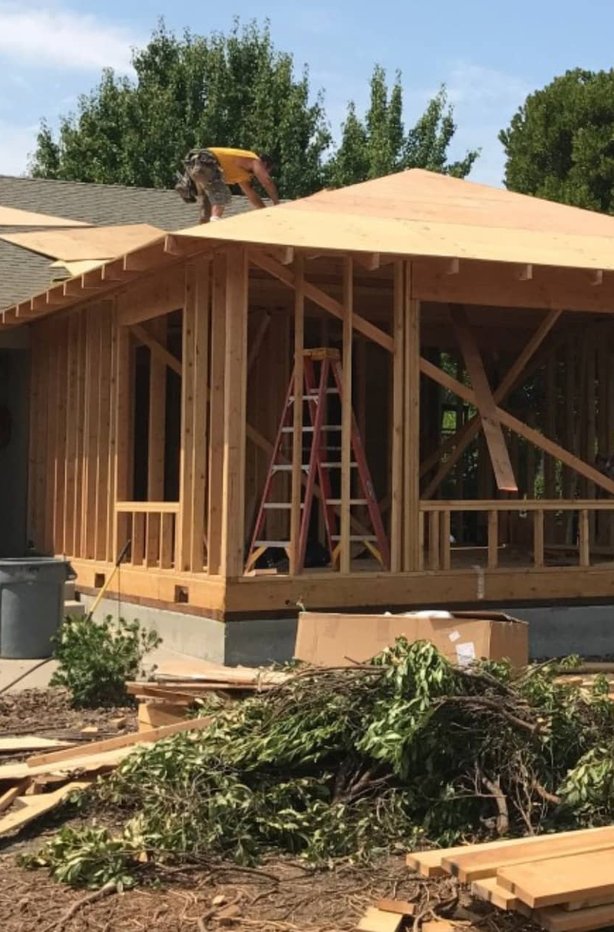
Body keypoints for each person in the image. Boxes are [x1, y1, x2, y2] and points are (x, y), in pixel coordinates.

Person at [175, 147, 280, 223]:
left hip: (194, 163)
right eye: (268, 171)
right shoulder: (254, 160)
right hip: (207, 161)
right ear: (265, 164)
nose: (266, 173)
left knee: (208, 201)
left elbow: (250, 194)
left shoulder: (242, 174)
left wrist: (265, 212)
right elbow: (267, 182)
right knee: (222, 195)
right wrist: (276, 204)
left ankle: (204, 225)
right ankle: (215, 222)